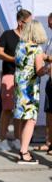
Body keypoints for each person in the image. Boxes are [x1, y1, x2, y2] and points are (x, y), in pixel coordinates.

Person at [0, 9, 32, 152]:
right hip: (9, 75)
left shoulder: (29, 37)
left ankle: (17, 138)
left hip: (25, 78)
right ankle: (2, 140)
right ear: (20, 22)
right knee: (7, 109)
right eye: (28, 23)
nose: (30, 26)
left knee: (20, 110)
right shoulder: (7, 35)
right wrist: (13, 59)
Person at [14, 20, 48, 164]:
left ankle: (23, 148)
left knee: (24, 118)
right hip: (30, 89)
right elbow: (39, 71)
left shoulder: (20, 46)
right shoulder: (37, 49)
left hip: (20, 86)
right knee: (31, 120)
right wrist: (48, 69)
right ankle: (24, 152)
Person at [38, 13, 52, 155]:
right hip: (50, 79)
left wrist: (46, 57)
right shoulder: (50, 39)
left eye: (50, 22)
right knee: (48, 112)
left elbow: (48, 57)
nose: (48, 25)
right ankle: (49, 142)